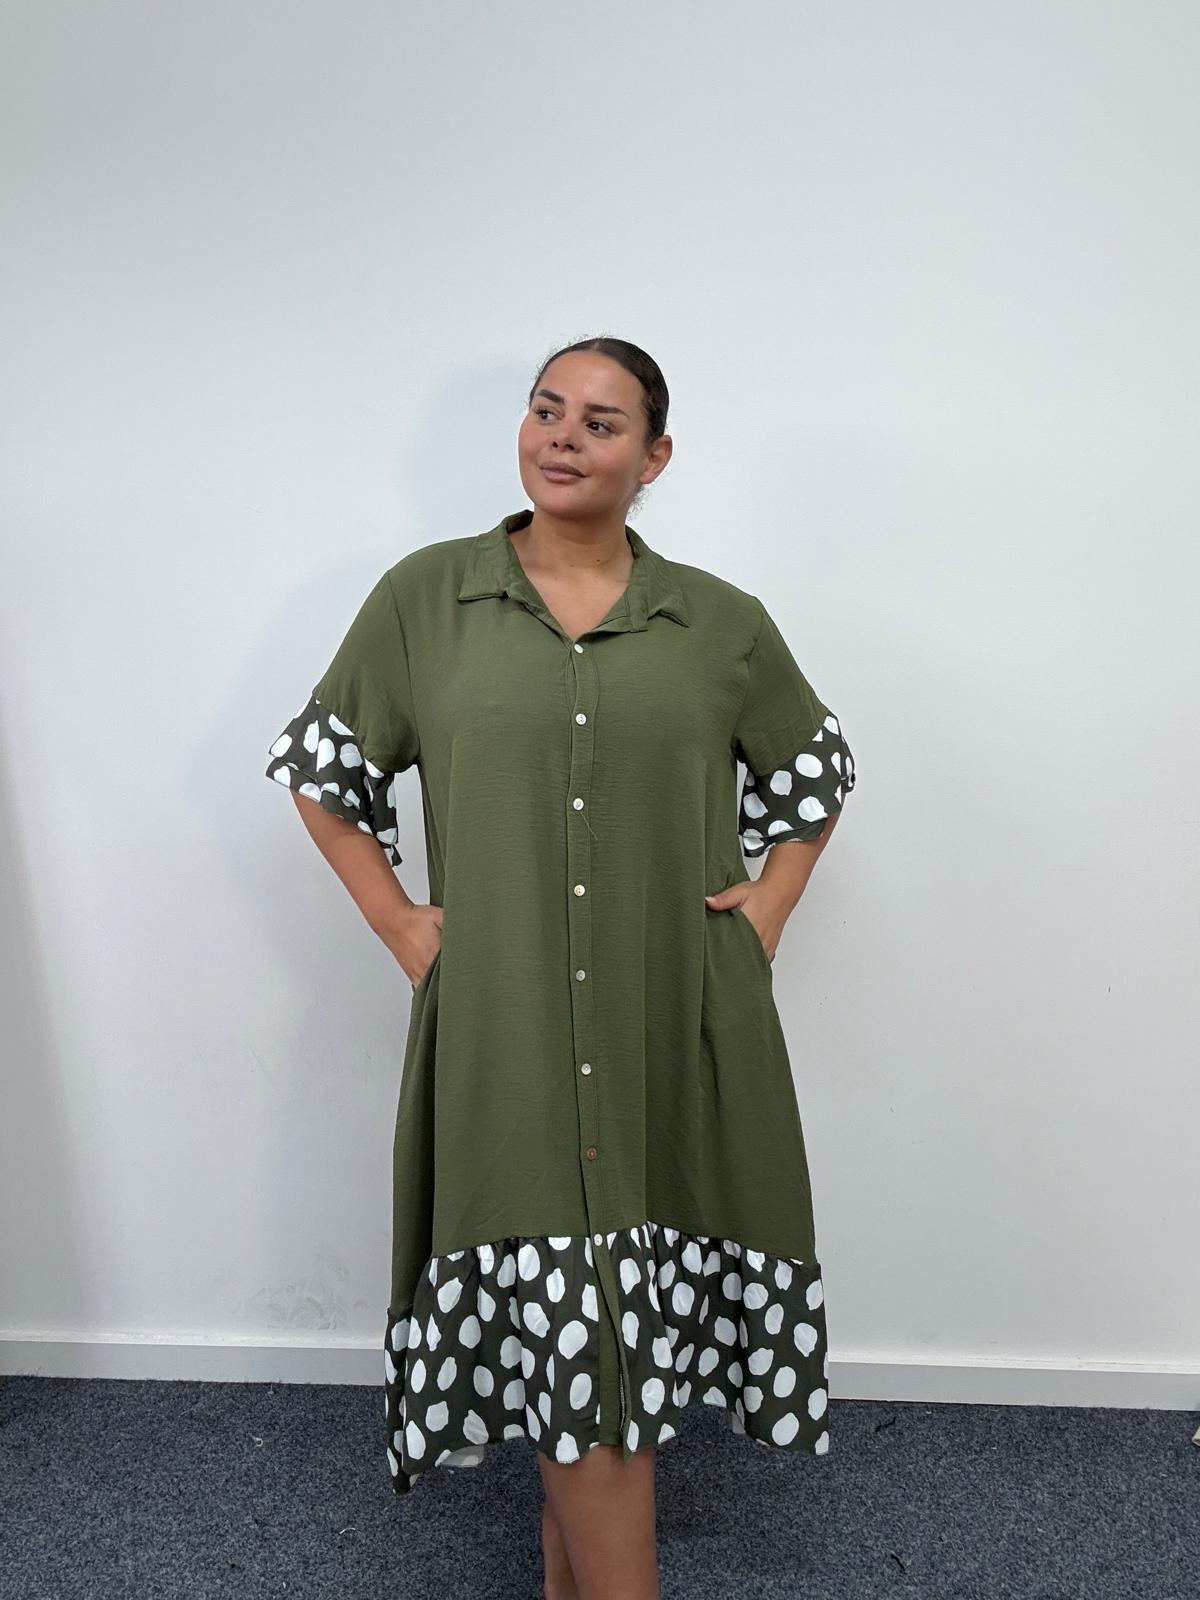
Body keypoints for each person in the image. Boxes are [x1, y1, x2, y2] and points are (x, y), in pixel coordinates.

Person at [264, 336, 857, 1599]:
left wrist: (764, 912)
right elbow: (325, 769)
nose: (563, 438)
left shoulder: (719, 623)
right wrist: (401, 923)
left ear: (655, 456)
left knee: (597, 1340)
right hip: (507, 1026)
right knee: (578, 1331)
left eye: (600, 421)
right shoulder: (425, 600)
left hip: (669, 1021)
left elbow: (813, 773)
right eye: (547, 410)